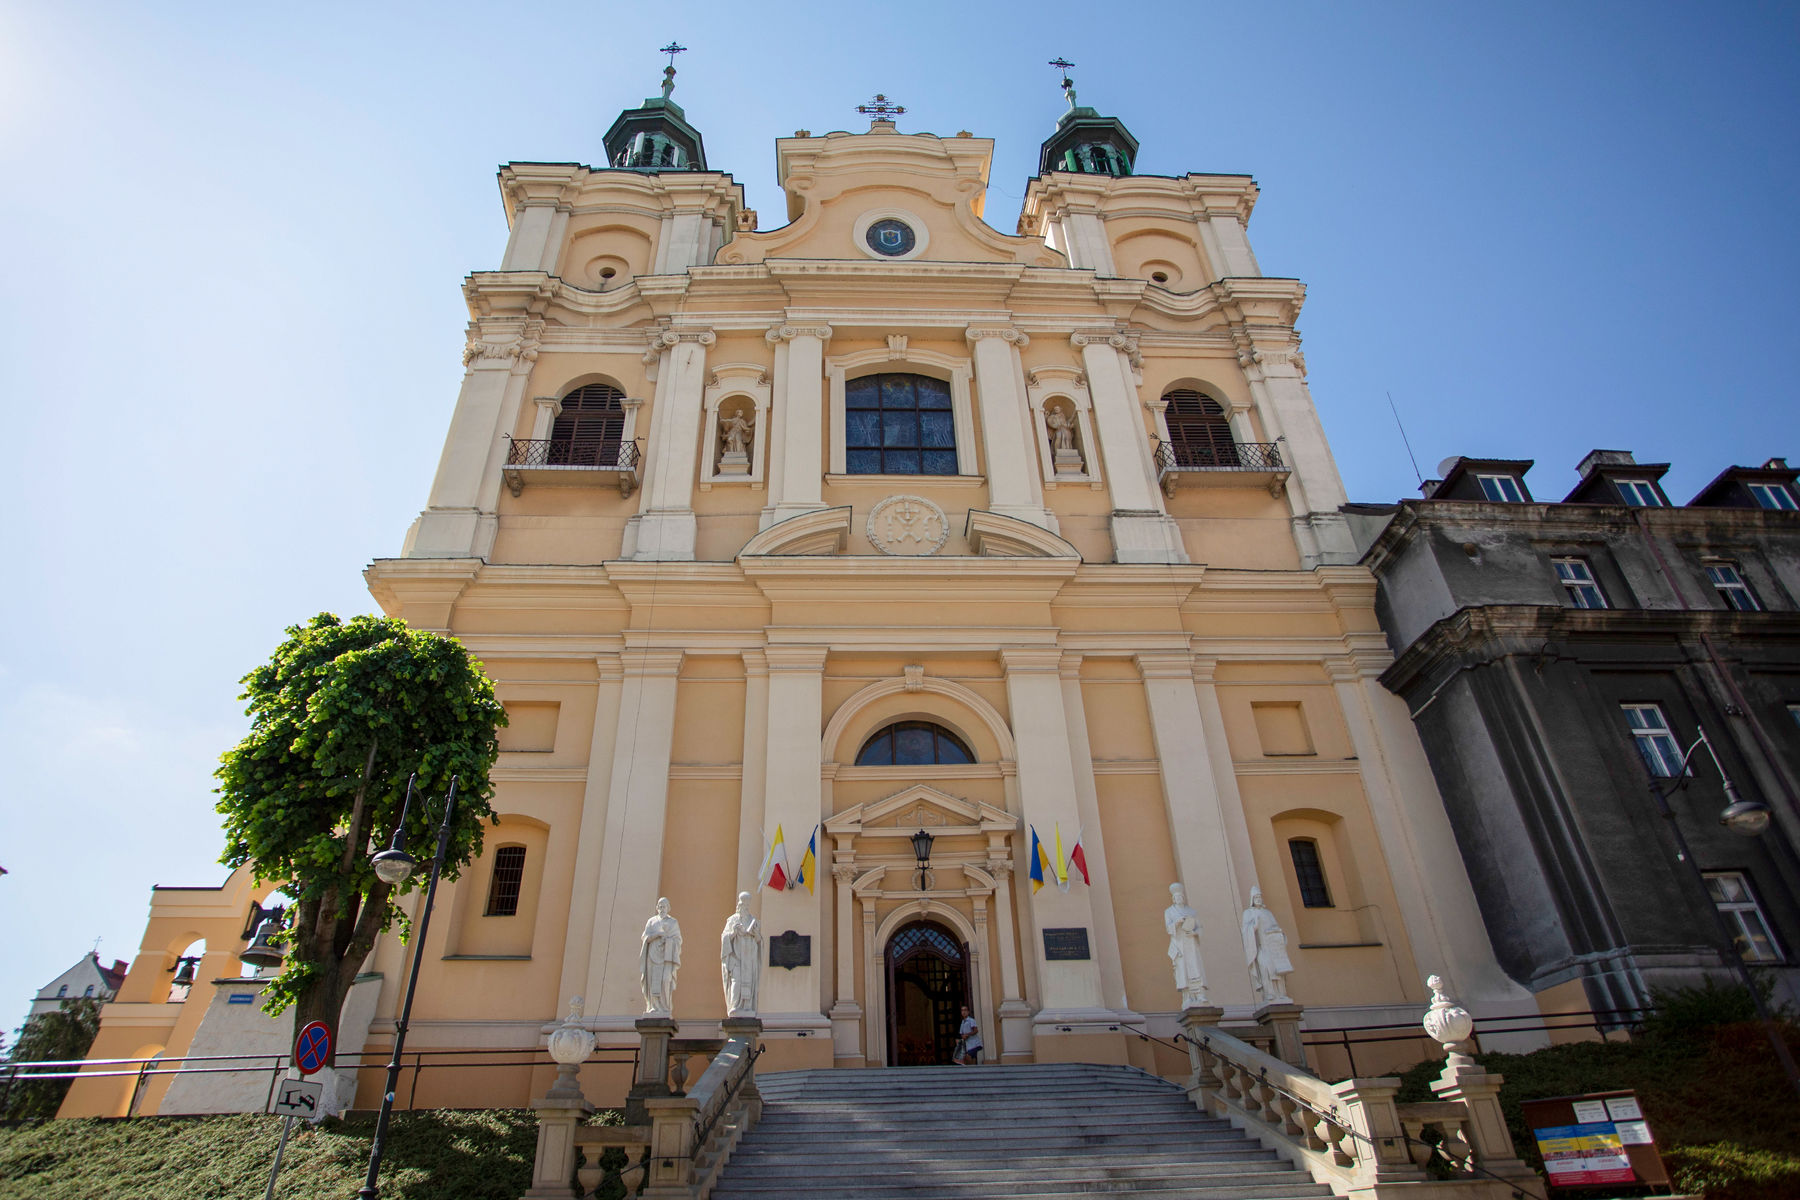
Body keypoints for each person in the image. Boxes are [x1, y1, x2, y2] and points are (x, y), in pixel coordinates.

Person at [1240, 886, 1294, 1004]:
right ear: (1252, 899)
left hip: (1273, 948)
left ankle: (1281, 994)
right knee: (1265, 968)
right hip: (1262, 946)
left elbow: (1276, 928)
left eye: (1259, 897)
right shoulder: (1249, 913)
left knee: (1277, 970)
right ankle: (1269, 993)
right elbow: (1245, 930)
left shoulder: (1268, 913)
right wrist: (1254, 926)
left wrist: (1279, 934)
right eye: (1256, 897)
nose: (1258, 899)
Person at [1164, 882, 1208, 1007]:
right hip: (1179, 944)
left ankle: (1200, 994)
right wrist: (1177, 923)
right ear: (1173, 899)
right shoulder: (1169, 912)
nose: (1179, 899)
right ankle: (1187, 995)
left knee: (1195, 967)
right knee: (1182, 969)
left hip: (1191, 944)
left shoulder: (1191, 912)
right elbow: (1168, 928)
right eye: (1176, 897)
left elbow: (1200, 927)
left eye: (1181, 897)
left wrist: (1195, 933)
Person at [720, 891, 763, 1016]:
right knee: (736, 982)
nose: (745, 906)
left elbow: (760, 942)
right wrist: (733, 932)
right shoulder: (732, 920)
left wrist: (756, 934)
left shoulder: (753, 920)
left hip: (749, 959)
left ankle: (746, 1008)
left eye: (747, 903)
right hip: (736, 958)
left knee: (748, 983)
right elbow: (725, 937)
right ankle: (734, 1006)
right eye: (743, 903)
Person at [639, 897, 682, 1014]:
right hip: (652, 956)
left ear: (668, 908)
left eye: (664, 906)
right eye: (660, 906)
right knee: (653, 981)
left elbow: (678, 940)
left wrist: (667, 940)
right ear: (657, 908)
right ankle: (654, 1006)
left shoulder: (673, 922)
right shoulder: (651, 922)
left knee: (665, 981)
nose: (662, 908)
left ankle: (664, 1007)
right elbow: (645, 938)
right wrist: (657, 934)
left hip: (666, 957)